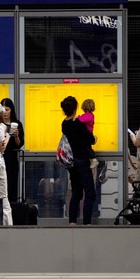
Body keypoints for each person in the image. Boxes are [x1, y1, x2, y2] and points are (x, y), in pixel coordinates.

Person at [61, 96, 96, 225]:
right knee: (90, 192)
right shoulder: (78, 124)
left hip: (71, 163)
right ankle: (87, 222)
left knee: (76, 191)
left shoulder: (64, 124)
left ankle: (72, 222)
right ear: (75, 108)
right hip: (82, 160)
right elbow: (90, 139)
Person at [0, 98, 24, 203]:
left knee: (12, 185)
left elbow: (19, 145)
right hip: (0, 158)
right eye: (3, 110)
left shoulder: (17, 123)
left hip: (12, 159)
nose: (5, 113)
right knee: (0, 186)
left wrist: (17, 136)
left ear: (11, 110)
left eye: (7, 109)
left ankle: (12, 212)